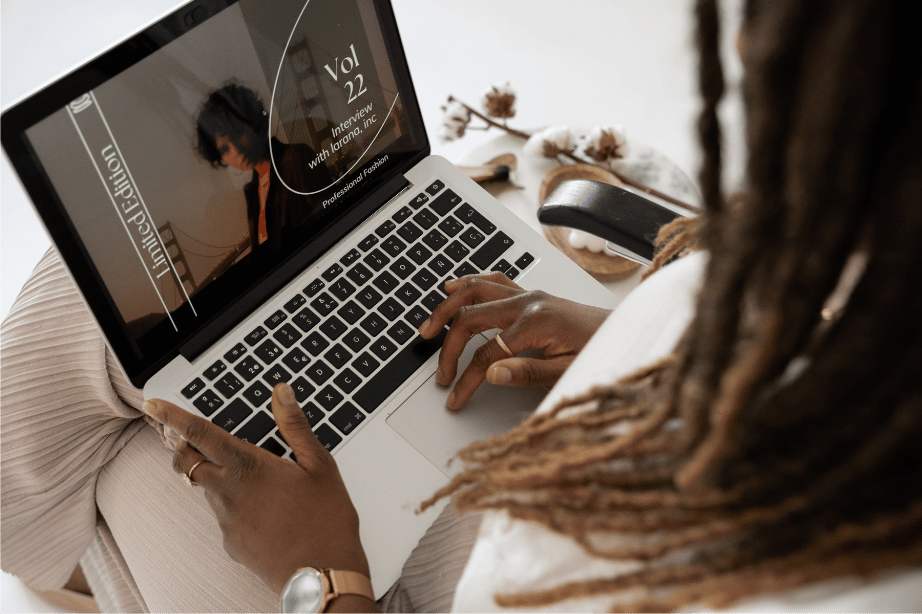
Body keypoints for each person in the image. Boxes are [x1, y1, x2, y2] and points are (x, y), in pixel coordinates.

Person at [2, 0, 920, 612]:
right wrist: (645, 349)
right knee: (167, 339)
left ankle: (75, 556)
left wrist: (322, 573)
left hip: (409, 574)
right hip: (591, 432)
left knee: (134, 386)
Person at [195, 83, 332, 254]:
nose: (236, 150)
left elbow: (330, 223)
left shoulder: (297, 156)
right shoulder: (253, 192)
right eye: (224, 149)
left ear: (252, 122)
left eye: (237, 133)